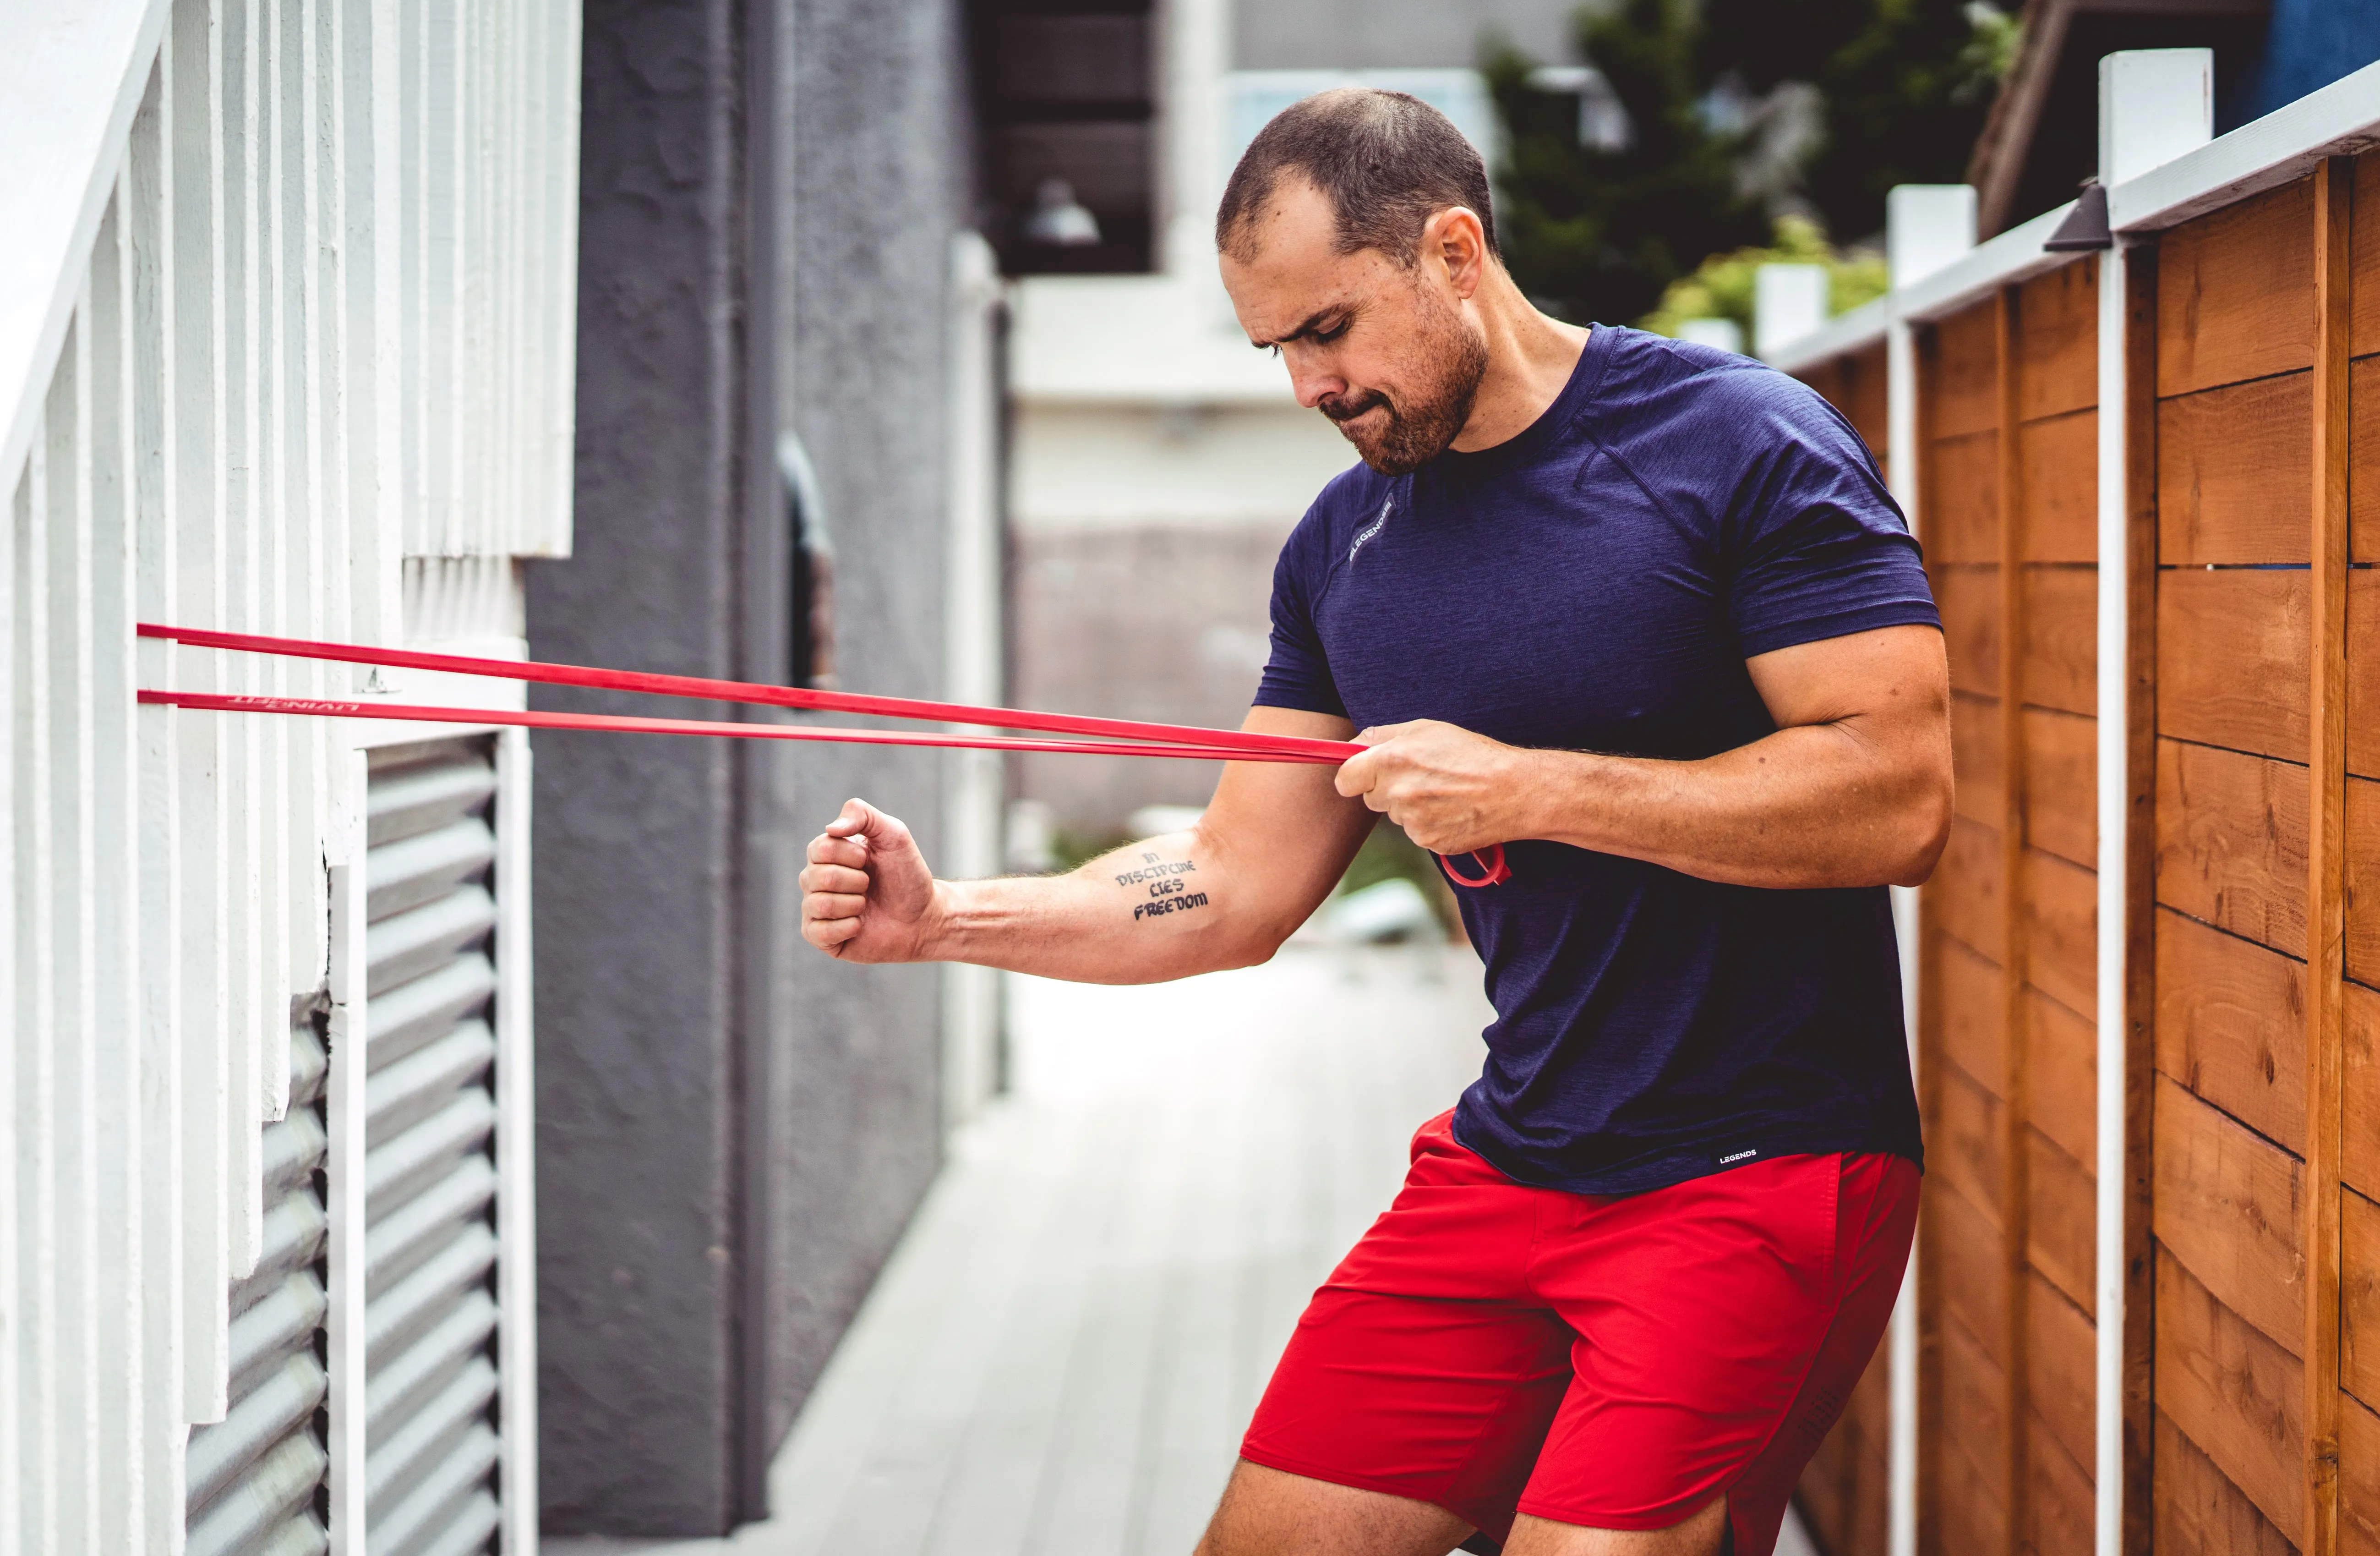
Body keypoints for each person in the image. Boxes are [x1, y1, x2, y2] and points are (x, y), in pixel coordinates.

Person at [798, 88, 1949, 1556]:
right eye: (1275, 347)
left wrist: (1534, 788)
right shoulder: (1345, 545)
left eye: (1328, 330)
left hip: (1753, 1170)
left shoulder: (1737, 445)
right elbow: (1229, 883)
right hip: (1512, 1162)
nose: (1305, 388)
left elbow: (1898, 798)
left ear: (1453, 252)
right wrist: (947, 918)